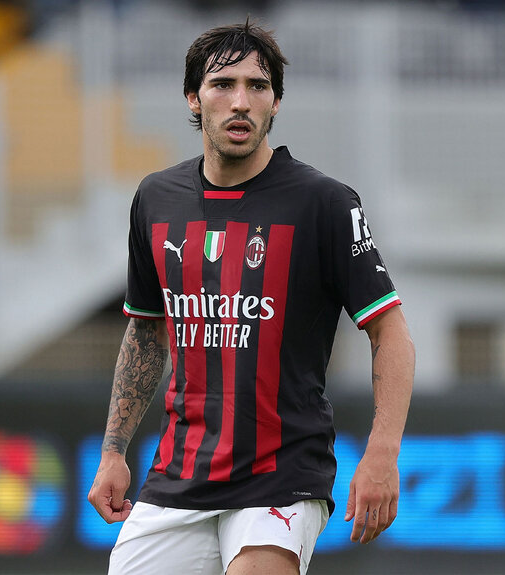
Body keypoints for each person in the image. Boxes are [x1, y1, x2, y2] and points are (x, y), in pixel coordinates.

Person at [88, 20, 414, 575]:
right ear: (193, 97)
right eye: (223, 84)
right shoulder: (155, 199)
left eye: (257, 86)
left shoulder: (325, 204)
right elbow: (146, 330)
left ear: (276, 103)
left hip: (280, 476)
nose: (240, 102)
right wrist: (114, 451)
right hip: (179, 476)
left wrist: (383, 453)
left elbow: (391, 333)